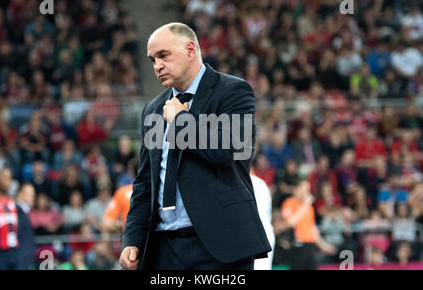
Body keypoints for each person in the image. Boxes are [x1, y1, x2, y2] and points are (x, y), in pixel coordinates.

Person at [119, 23, 271, 270]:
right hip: (163, 249)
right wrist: (133, 238)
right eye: (152, 60)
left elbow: (229, 151)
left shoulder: (233, 91)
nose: (157, 66)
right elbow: (145, 181)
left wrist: (181, 121)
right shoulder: (153, 109)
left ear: (190, 49)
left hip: (221, 246)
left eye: (163, 56)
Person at [281, 179, 336, 270]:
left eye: (308, 190)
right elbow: (290, 223)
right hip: (297, 245)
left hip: (310, 245)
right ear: (296, 189)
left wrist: (323, 245)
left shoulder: (309, 206)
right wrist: (304, 205)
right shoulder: (289, 203)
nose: (306, 193)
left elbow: (312, 227)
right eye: (304, 189)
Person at [16, 183, 36, 270]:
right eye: (29, 195)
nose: (32, 198)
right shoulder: (17, 211)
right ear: (20, 194)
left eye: (33, 195)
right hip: (19, 258)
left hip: (25, 258)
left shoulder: (25, 212)